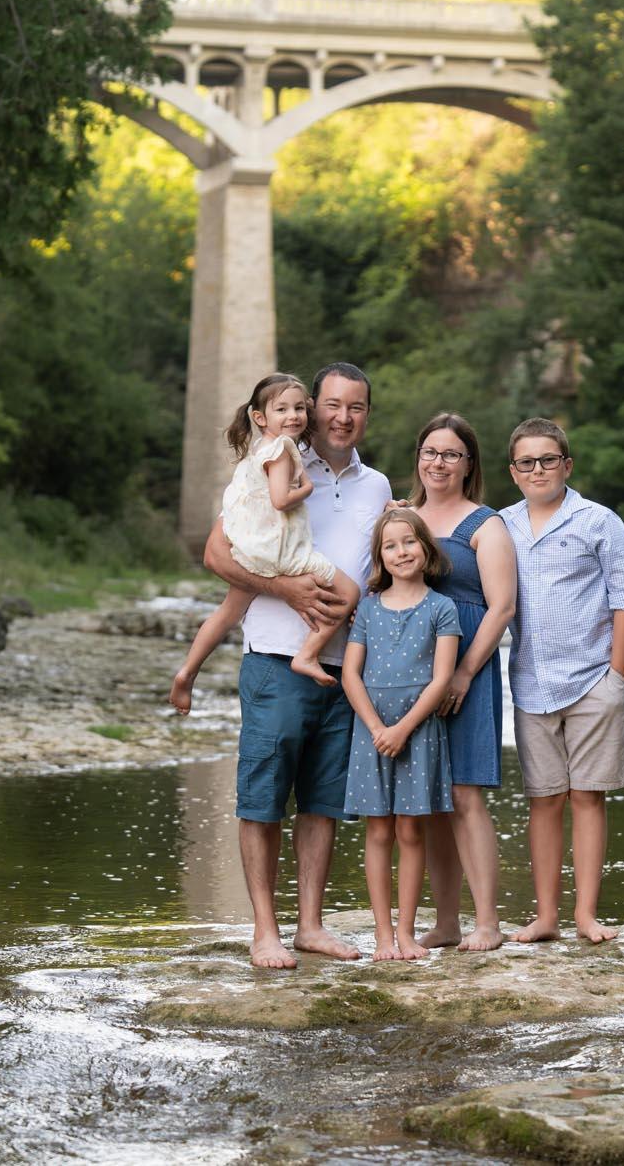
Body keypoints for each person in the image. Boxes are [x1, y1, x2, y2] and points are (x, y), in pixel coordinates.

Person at [201, 363, 392, 969]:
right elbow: (216, 552)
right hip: (276, 659)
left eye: (355, 407)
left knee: (322, 801)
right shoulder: (278, 461)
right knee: (263, 797)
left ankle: (310, 926)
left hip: (346, 668)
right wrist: (282, 589)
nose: (341, 417)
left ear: (366, 414)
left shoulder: (378, 487)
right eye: (331, 404)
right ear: (311, 408)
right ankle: (265, 931)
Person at [500, 417, 624, 945]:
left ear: (567, 465)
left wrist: (616, 678)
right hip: (531, 683)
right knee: (544, 799)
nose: (538, 469)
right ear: (513, 472)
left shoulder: (599, 521)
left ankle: (585, 914)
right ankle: (545, 916)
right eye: (526, 462)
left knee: (587, 797)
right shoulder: (502, 525)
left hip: (592, 681)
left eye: (548, 460)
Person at [171, 373, 362, 711]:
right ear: (260, 417)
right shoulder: (284, 451)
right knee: (348, 594)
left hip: (253, 546)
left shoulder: (257, 451)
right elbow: (279, 500)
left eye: (299, 408)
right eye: (283, 409)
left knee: (228, 612)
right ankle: (308, 654)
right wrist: (305, 488)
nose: (294, 416)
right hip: (281, 551)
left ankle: (187, 671)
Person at [408, 413, 515, 952]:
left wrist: (466, 672)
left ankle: (487, 922)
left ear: (469, 464)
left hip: (469, 664)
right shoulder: (405, 519)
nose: (438, 462)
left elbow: (502, 606)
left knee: (465, 791)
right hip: (413, 666)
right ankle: (445, 922)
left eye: (451, 454)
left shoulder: (486, 524)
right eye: (430, 451)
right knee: (429, 799)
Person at [341, 509, 462, 960]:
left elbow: (441, 678)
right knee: (378, 833)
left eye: (409, 542)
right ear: (380, 557)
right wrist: (377, 728)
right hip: (372, 731)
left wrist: (403, 729)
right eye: (390, 546)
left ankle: (407, 932)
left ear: (426, 549)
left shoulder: (441, 608)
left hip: (419, 731)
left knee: (411, 832)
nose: (401, 552)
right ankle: (382, 936)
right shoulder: (369, 608)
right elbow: (351, 674)